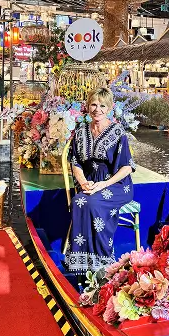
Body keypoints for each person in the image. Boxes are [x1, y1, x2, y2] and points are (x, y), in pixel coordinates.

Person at [66, 88, 136, 274]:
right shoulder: (80, 133)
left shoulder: (118, 132)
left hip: (116, 185)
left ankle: (103, 260)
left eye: (102, 105)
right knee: (79, 201)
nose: (97, 109)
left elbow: (127, 166)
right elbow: (75, 162)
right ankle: (81, 262)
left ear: (110, 108)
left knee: (93, 203)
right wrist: (82, 182)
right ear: (88, 106)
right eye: (94, 104)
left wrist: (104, 184)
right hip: (90, 184)